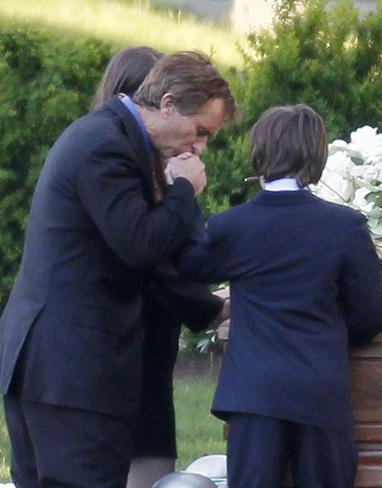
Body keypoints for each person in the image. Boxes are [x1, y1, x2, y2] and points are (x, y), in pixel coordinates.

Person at [0, 51, 236, 487]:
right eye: (200, 131)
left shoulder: (111, 138)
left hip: (55, 371)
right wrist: (184, 190)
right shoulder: (105, 144)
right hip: (70, 373)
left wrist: (206, 307)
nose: (200, 147)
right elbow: (140, 244)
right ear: (167, 103)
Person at [174, 105, 382, 488]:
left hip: (253, 395)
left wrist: (186, 195)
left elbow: (185, 265)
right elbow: (371, 317)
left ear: (259, 153)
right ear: (317, 156)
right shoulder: (345, 226)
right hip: (320, 393)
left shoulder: (233, 226)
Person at [92, 46, 229, 488]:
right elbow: (150, 257)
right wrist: (210, 307)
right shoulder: (118, 163)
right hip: (125, 344)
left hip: (147, 345)